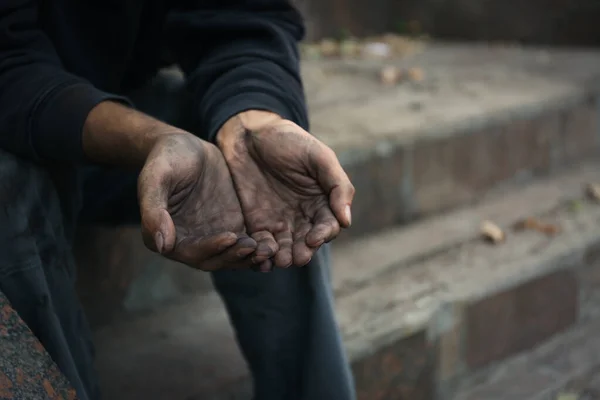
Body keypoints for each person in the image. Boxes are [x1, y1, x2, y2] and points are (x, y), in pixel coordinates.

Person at [0, 1, 357, 400]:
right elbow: (8, 66)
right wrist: (152, 139)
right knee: (8, 181)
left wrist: (254, 117)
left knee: (274, 177)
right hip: (21, 118)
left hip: (105, 102)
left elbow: (244, 15)